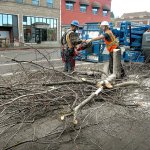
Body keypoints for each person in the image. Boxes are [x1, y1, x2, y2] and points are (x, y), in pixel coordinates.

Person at [86, 21, 125, 88]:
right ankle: (119, 76)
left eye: (102, 26)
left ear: (105, 26)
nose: (101, 27)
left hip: (115, 49)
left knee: (113, 65)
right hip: (114, 49)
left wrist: (91, 40)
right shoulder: (109, 32)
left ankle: (117, 77)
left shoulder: (107, 33)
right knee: (114, 64)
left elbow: (100, 37)